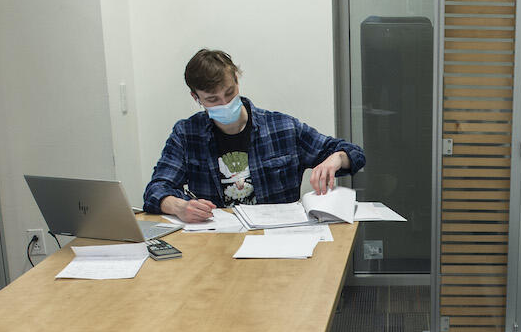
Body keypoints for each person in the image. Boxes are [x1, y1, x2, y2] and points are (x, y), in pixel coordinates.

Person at [143, 49, 365, 223]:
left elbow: (354, 154)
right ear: (196, 97)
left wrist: (335, 159)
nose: (225, 103)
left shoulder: (282, 127)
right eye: (213, 99)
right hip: (215, 243)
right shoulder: (186, 134)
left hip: (279, 239)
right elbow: (156, 189)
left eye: (229, 93)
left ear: (237, 81)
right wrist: (179, 207)